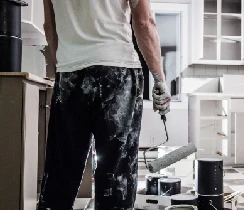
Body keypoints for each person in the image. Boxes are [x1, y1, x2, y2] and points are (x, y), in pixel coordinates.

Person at [38, 0, 171, 209]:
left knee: (61, 168)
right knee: (116, 171)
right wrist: (160, 79)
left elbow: (50, 26)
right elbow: (144, 22)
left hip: (70, 72)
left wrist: (65, 66)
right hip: (117, 70)